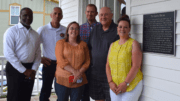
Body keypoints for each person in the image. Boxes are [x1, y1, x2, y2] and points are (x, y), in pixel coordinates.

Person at [3, 7, 41, 101]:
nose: (28, 17)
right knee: (14, 97)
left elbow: (38, 53)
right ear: (20, 16)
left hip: (30, 69)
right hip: (14, 68)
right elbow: (8, 54)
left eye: (30, 15)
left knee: (26, 96)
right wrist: (24, 70)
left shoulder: (36, 35)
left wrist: (33, 69)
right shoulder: (11, 31)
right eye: (25, 15)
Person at [106, 15, 143, 101]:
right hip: (115, 86)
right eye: (120, 27)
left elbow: (136, 66)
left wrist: (125, 83)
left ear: (129, 29)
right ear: (117, 28)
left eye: (125, 27)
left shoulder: (134, 44)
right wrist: (110, 82)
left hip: (131, 85)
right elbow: (108, 65)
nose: (122, 29)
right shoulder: (113, 45)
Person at [88, 7, 119, 101]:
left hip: (110, 74)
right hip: (95, 73)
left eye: (106, 14)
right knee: (98, 98)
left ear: (111, 15)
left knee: (111, 98)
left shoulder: (117, 30)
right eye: (101, 15)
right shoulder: (95, 29)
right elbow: (90, 47)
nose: (103, 17)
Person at [55, 21, 90, 101]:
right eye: (72, 28)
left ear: (79, 31)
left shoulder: (83, 45)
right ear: (67, 31)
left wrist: (78, 73)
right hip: (63, 79)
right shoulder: (60, 43)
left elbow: (87, 61)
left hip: (78, 80)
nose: (74, 30)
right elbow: (60, 61)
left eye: (76, 29)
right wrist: (75, 72)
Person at [37, 7, 66, 101]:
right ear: (51, 15)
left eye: (59, 14)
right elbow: (34, 46)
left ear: (62, 16)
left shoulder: (65, 30)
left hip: (62, 65)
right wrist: (39, 58)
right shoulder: (42, 29)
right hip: (48, 63)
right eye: (55, 13)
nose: (57, 16)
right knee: (46, 89)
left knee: (62, 89)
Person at [80, 4, 99, 101]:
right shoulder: (80, 28)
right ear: (85, 13)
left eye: (92, 12)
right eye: (88, 11)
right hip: (83, 64)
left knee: (97, 91)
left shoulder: (101, 27)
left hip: (97, 64)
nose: (90, 14)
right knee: (84, 91)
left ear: (96, 13)